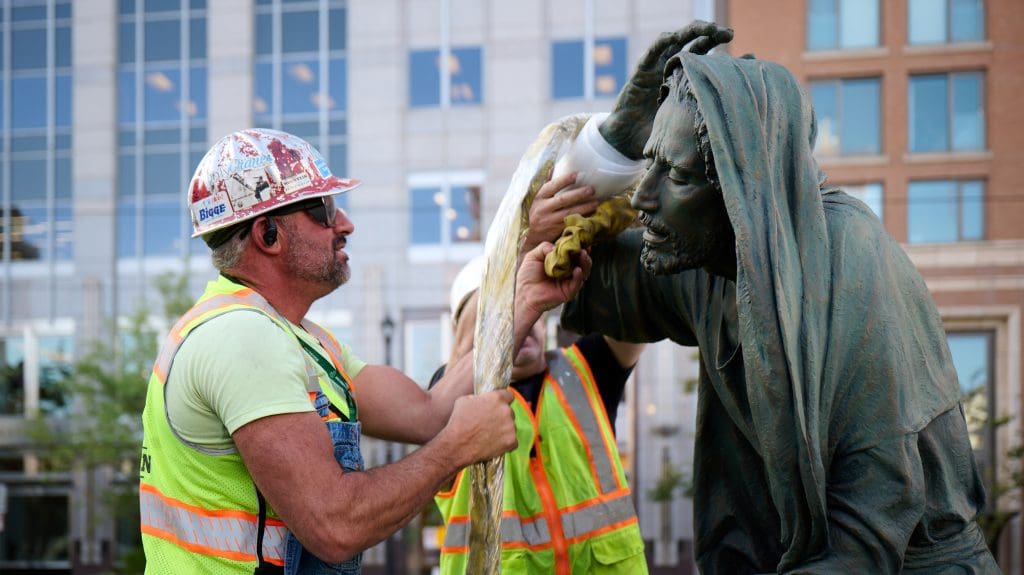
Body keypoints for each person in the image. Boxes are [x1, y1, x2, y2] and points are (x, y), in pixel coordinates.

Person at [557, 25, 1001, 573]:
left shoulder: (855, 265)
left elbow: (865, 541)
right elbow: (553, 261)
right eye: (649, 164)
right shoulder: (704, 261)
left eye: (675, 175)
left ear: (742, 186)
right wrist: (616, 141)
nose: (643, 197)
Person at [138, 128, 590, 575]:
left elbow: (429, 411)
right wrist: (455, 449)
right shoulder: (239, 337)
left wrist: (523, 302)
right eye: (324, 209)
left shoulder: (301, 340)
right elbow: (334, 525)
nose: (345, 225)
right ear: (268, 234)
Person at [430, 172, 647, 574]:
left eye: (531, 306)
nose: (523, 319)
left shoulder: (588, 370)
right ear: (467, 333)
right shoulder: (452, 396)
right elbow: (438, 406)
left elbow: (638, 310)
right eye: (503, 313)